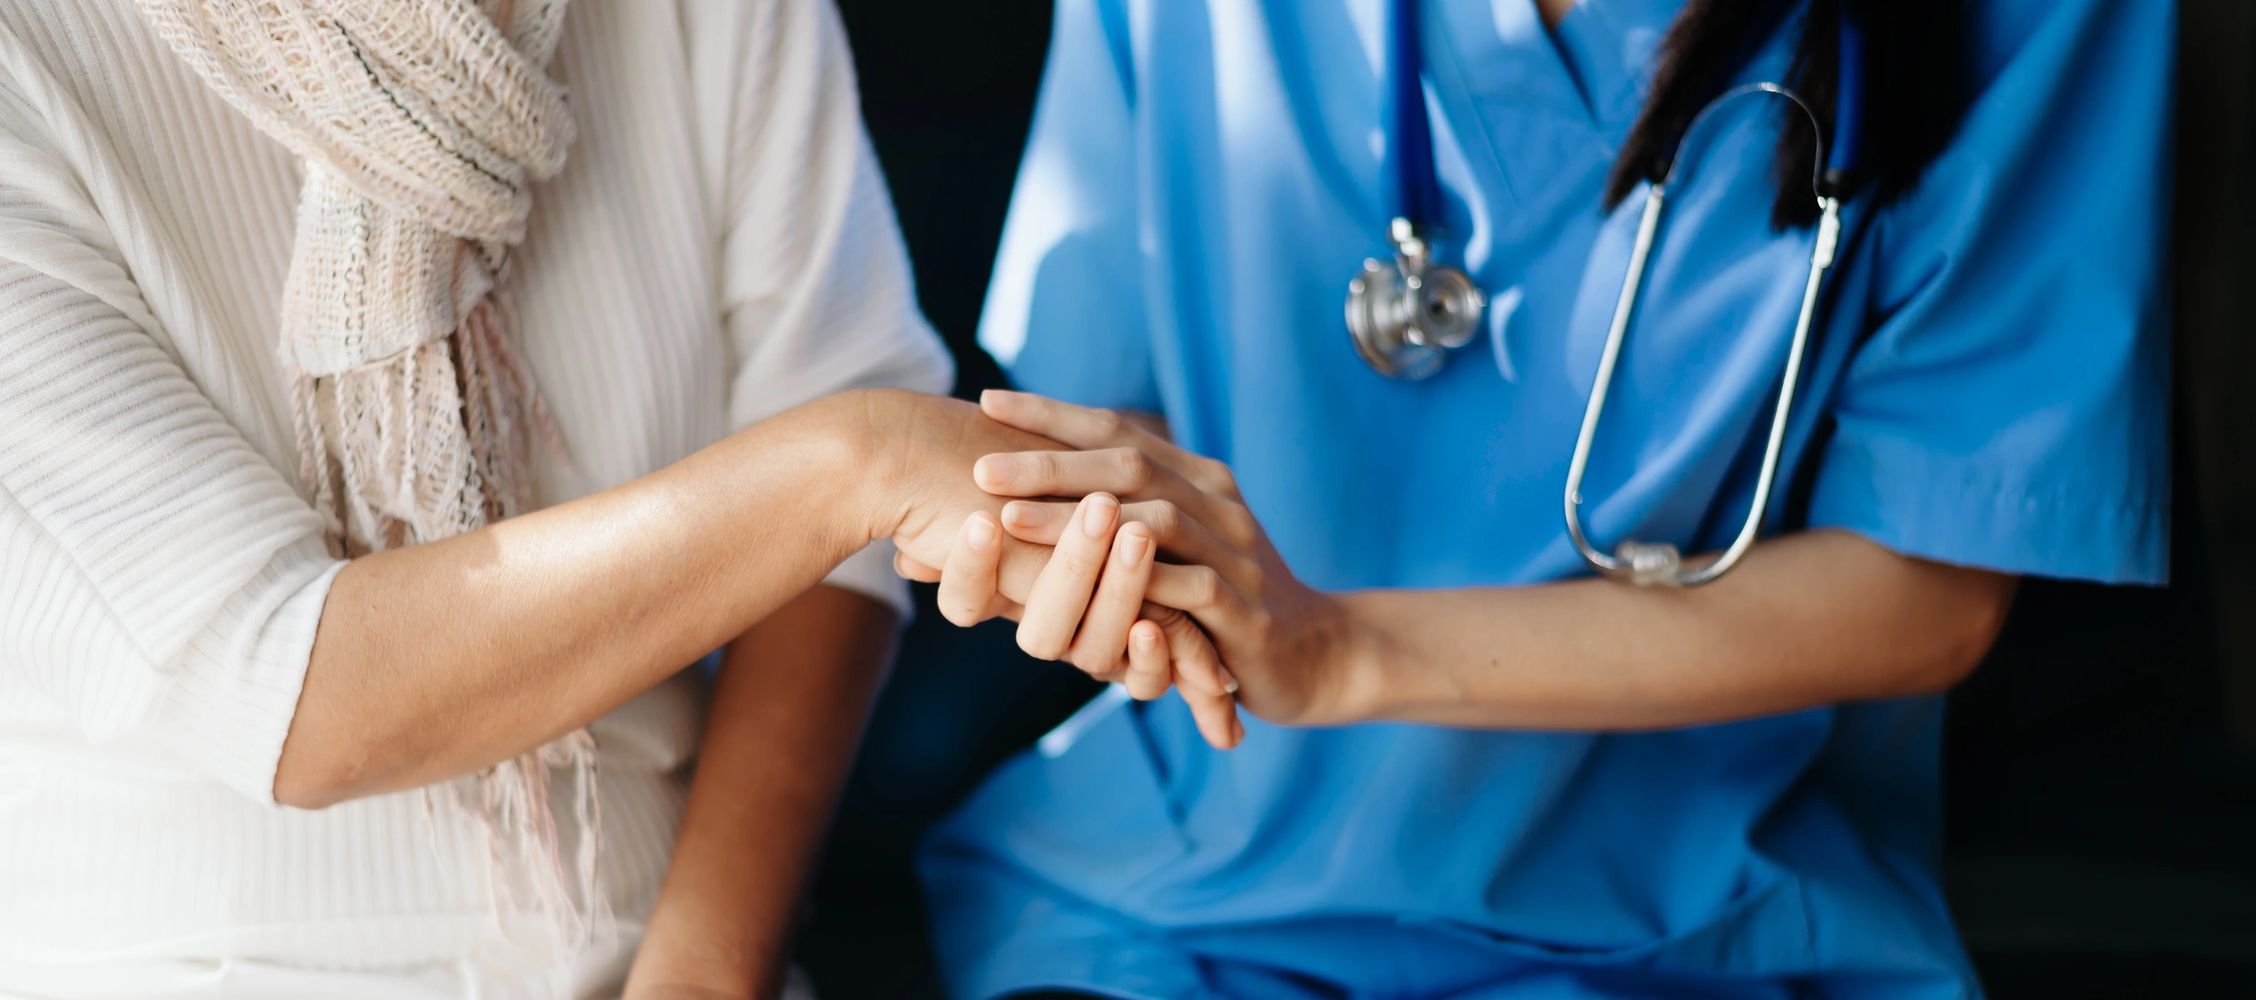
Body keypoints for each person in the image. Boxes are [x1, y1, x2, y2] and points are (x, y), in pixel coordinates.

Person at [907, 0, 2173, 996]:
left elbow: (1920, 593)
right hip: (1174, 901)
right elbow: (1109, 418)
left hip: (1696, 934)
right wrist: (1088, 554)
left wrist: (1336, 649)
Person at [0, 1, 1173, 996]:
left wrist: (704, 971)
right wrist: (849, 467)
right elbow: (288, 690)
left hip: (666, 938)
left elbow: (845, 469)